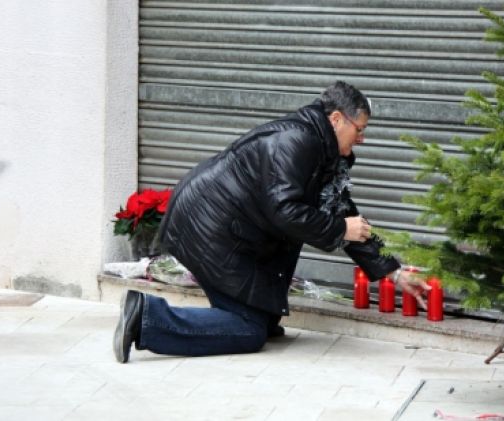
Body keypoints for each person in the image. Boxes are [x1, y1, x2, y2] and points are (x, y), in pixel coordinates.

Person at [113, 81, 429, 363]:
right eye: (359, 129)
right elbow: (286, 211)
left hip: (228, 229)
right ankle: (147, 318)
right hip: (209, 229)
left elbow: (339, 208)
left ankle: (230, 317)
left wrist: (392, 270)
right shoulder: (296, 142)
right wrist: (339, 229)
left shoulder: (321, 147)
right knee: (248, 331)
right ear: (336, 119)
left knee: (262, 322)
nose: (362, 138)